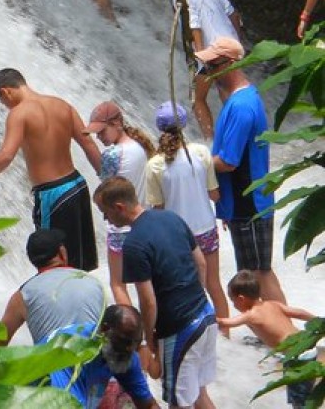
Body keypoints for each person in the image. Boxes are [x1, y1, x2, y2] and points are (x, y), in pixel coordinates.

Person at [94, 177, 217, 409]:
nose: (105, 219)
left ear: (119, 207)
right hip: (206, 316)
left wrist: (148, 339)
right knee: (199, 395)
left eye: (105, 212)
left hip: (180, 330)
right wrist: (196, 298)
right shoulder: (171, 217)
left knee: (178, 403)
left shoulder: (134, 244)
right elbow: (201, 263)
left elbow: (148, 302)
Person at [0, 68, 102, 271]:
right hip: (77, 187)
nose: (5, 107)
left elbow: (6, 156)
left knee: (52, 264)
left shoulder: (19, 114)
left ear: (6, 91)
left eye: (3, 102)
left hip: (53, 195)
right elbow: (89, 145)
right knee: (80, 263)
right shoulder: (63, 105)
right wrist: (108, 180)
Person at [199, 36, 286, 304]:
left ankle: (285, 334)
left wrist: (194, 159)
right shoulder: (244, 97)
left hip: (248, 200)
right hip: (247, 199)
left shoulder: (240, 107)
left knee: (257, 273)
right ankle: (274, 333)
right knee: (255, 271)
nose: (207, 72)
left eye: (211, 66)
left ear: (230, 64)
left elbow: (228, 162)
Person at [144, 101, 230, 331]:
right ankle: (226, 334)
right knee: (213, 284)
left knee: (183, 289)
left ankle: (191, 334)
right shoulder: (201, 153)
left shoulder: (154, 165)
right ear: (184, 124)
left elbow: (158, 209)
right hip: (205, 229)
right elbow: (214, 194)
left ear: (159, 128)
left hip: (177, 237)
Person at [158, 0, 243, 138]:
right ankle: (240, 132)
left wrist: (200, 54)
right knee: (228, 90)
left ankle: (211, 140)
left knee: (197, 99)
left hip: (211, 51)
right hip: (231, 46)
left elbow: (193, 25)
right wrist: (237, 39)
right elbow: (234, 15)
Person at [84, 101, 155, 305]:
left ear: (117, 124)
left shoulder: (112, 154)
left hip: (119, 230)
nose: (99, 137)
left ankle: (131, 332)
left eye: (102, 131)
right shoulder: (140, 146)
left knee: (118, 284)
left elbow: (106, 187)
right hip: (142, 223)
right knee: (145, 283)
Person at [218, 270, 318, 408]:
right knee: (306, 393)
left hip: (296, 357)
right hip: (308, 348)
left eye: (233, 301)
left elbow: (226, 323)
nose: (234, 305)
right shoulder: (272, 304)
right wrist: (318, 321)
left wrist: (205, 317)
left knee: (299, 400)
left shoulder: (251, 315)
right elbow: (298, 313)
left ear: (241, 299)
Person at [0, 229, 105, 345]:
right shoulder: (93, 282)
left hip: (53, 361)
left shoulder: (22, 295)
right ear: (62, 253)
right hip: (93, 358)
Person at [47, 305, 158, 409]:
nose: (130, 348)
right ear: (104, 330)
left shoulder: (125, 353)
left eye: (136, 343)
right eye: (125, 341)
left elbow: (148, 405)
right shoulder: (68, 348)